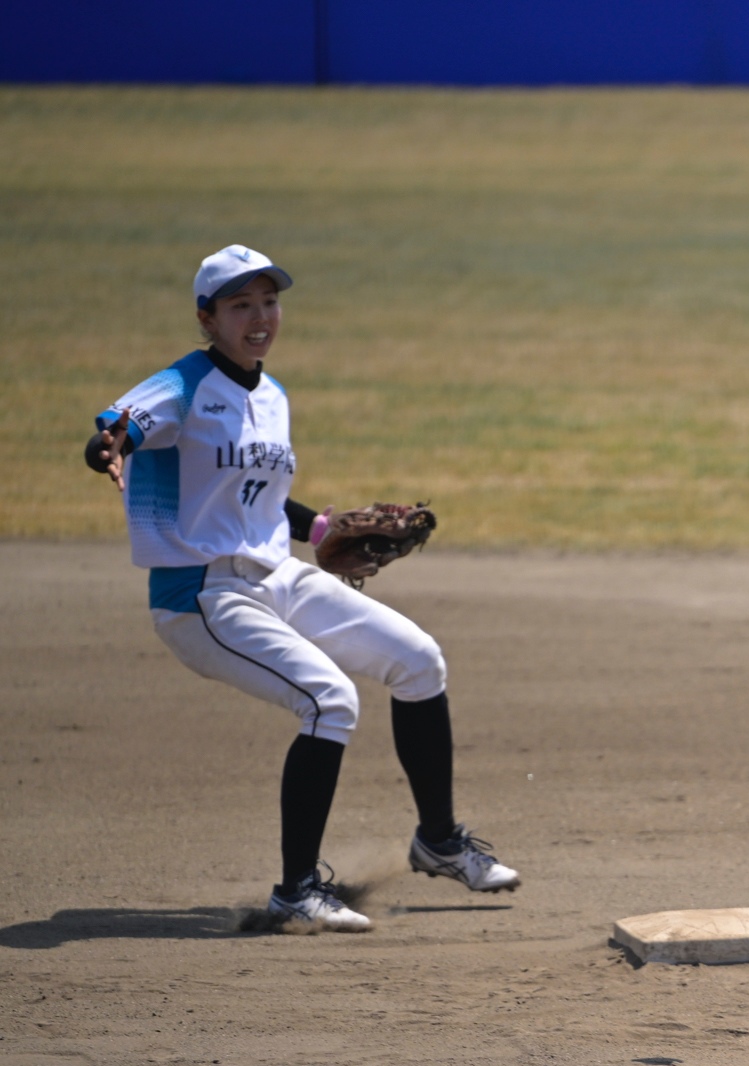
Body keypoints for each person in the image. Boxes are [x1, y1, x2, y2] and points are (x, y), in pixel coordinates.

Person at [83, 245, 520, 931]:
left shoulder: (272, 395)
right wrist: (107, 447)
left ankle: (438, 840)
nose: (259, 317)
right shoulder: (182, 385)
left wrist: (320, 530)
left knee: (419, 660)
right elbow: (119, 427)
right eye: (240, 305)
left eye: (268, 301)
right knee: (330, 700)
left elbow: (251, 498)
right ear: (208, 318)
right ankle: (295, 890)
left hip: (278, 576)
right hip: (202, 595)